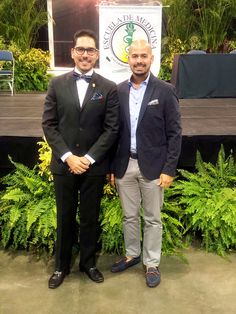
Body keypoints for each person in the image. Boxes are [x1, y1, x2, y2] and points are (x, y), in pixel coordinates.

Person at [42, 29, 119, 289]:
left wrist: (87, 158)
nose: (85, 54)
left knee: (89, 217)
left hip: (93, 167)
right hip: (64, 166)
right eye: (81, 50)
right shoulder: (56, 84)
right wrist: (67, 157)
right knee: (64, 216)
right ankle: (61, 266)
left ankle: (88, 263)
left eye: (90, 50)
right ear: (73, 52)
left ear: (97, 55)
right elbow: (49, 125)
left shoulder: (108, 88)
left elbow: (112, 129)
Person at [110, 39, 182, 288]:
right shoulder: (118, 91)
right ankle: (132, 254)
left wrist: (169, 168)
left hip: (154, 167)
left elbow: (174, 133)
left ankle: (151, 263)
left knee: (152, 218)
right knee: (129, 216)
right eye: (134, 56)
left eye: (144, 56)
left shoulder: (165, 91)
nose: (139, 60)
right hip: (124, 165)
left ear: (152, 59)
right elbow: (114, 132)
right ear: (127, 59)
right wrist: (112, 167)